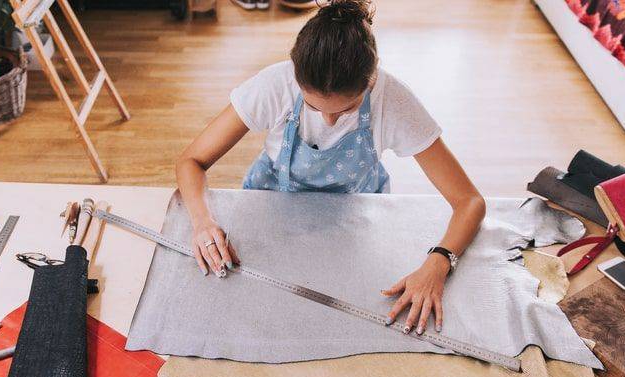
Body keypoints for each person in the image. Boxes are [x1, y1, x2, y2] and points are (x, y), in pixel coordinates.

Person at [175, 0, 485, 336]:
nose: (329, 120)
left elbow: (469, 202)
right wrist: (202, 222)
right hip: (273, 202)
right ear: (295, 75)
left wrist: (439, 261)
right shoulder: (274, 85)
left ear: (372, 78)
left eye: (347, 109)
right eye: (312, 105)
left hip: (354, 214)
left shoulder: (393, 102)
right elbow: (191, 161)